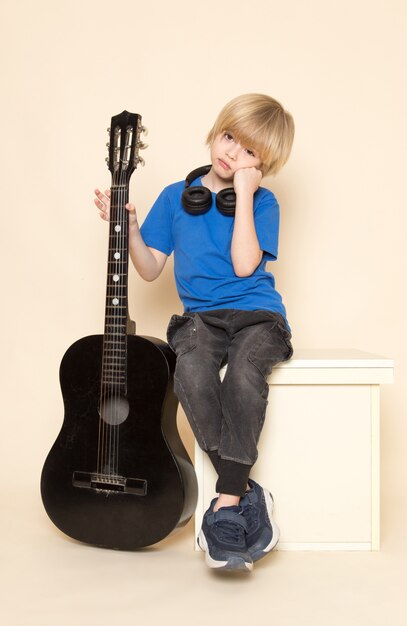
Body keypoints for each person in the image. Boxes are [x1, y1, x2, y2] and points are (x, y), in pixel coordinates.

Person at [94, 93, 295, 572]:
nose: (233, 154)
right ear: (216, 130)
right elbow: (148, 270)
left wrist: (244, 194)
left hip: (257, 316)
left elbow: (247, 265)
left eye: (250, 153)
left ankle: (226, 500)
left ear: (263, 167)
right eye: (230, 138)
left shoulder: (263, 203)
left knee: (244, 374)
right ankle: (244, 490)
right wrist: (133, 230)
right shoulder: (174, 199)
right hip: (201, 320)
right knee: (190, 371)